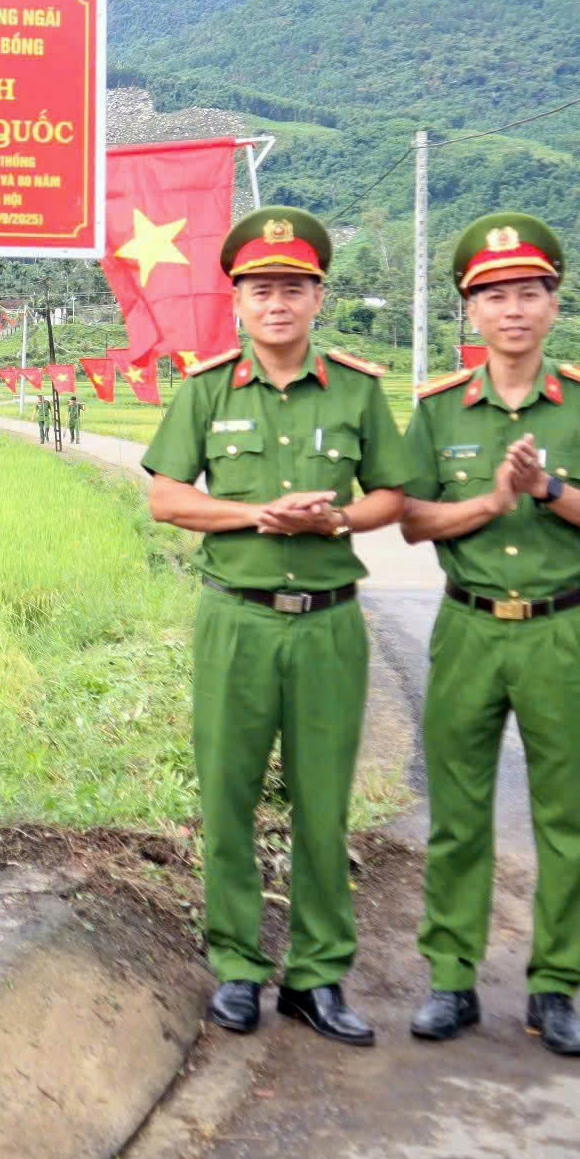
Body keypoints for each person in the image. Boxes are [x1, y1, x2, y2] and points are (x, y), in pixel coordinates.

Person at [141, 206, 413, 1042]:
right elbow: (165, 496)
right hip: (238, 621)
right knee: (227, 795)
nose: (277, 304)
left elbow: (392, 496)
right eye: (261, 289)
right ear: (238, 301)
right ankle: (236, 966)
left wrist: (332, 523)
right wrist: (261, 514)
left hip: (328, 623)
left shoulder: (360, 391)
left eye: (293, 287)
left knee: (323, 803)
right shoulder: (207, 389)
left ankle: (320, 974)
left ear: (319, 297)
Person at [399, 213, 580, 1057]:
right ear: (470, 311)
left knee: (565, 816)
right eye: (495, 296)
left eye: (529, 293)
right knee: (458, 813)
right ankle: (452, 979)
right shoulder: (438, 411)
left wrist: (546, 489)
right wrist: (492, 502)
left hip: (560, 631)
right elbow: (412, 520)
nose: (514, 310)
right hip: (469, 627)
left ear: (554, 302)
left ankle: (555, 988)